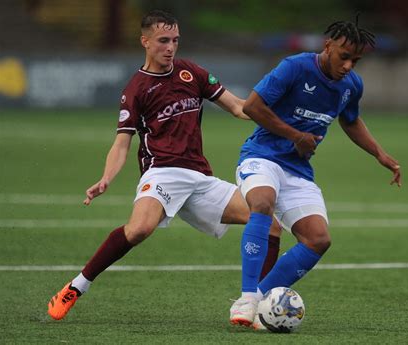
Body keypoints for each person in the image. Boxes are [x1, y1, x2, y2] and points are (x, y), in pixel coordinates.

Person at [47, 9, 281, 321]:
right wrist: (106, 178)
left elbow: (239, 108)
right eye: (163, 41)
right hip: (162, 173)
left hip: (199, 176)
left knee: (270, 223)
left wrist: (278, 116)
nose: (170, 47)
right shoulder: (136, 89)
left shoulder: (192, 73)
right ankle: (76, 287)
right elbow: (122, 143)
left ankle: (255, 303)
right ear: (144, 41)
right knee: (140, 228)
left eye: (175, 40)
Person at [229, 17, 402, 327]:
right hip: (262, 156)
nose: (349, 66)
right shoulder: (294, 67)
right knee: (263, 204)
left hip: (298, 170)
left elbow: (350, 121)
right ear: (327, 47)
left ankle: (259, 297)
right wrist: (295, 135)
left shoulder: (351, 85)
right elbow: (252, 106)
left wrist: (380, 154)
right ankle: (245, 298)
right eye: (344, 57)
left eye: (355, 60)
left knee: (318, 239)